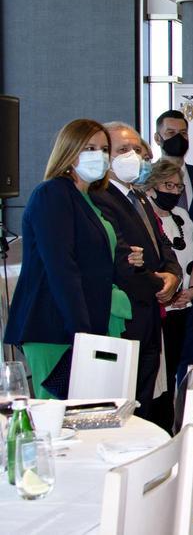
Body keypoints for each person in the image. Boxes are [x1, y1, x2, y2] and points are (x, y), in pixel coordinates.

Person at [4, 119, 138, 399]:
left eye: (103, 148)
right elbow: (61, 267)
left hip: (86, 322)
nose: (98, 155)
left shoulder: (87, 198)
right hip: (56, 326)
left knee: (86, 415)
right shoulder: (52, 193)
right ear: (69, 151)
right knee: (58, 418)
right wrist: (82, 331)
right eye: (89, 147)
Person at [91, 122, 181, 420]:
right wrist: (159, 284)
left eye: (138, 150)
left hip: (149, 315)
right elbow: (123, 260)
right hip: (125, 314)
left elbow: (162, 244)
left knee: (145, 396)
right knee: (123, 400)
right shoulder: (99, 198)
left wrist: (172, 274)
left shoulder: (140, 196)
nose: (133, 156)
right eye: (122, 150)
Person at [140, 159, 193, 412]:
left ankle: (188, 421)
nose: (174, 192)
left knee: (188, 367)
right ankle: (161, 423)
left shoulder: (183, 217)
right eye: (168, 185)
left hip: (188, 304)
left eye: (178, 187)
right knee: (161, 371)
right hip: (161, 307)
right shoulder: (142, 218)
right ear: (152, 187)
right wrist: (170, 293)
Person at [153, 110, 193, 222]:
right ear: (157, 138)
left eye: (183, 133)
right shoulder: (148, 175)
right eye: (171, 133)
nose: (178, 138)